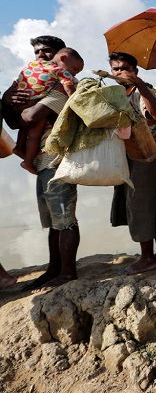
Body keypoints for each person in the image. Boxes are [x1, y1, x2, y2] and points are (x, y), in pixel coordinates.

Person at [1, 36, 80, 290]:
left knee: (65, 219)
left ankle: (67, 273)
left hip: (59, 159)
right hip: (43, 160)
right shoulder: (41, 83)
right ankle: (54, 269)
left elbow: (28, 116)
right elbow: (14, 122)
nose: (40, 56)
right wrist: (8, 98)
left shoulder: (62, 85)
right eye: (37, 51)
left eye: (47, 51)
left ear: (61, 56)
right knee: (53, 223)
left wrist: (20, 104)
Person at [108, 52, 156, 274]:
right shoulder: (117, 94)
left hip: (146, 154)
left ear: (135, 71)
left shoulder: (140, 92)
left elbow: (155, 115)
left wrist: (140, 85)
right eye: (115, 68)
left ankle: (147, 258)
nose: (120, 72)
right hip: (129, 155)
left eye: (125, 67)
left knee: (139, 204)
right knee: (149, 203)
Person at [13, 48, 84, 174]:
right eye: (75, 69)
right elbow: (69, 91)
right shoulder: (61, 71)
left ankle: (19, 147)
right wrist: (78, 105)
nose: (74, 74)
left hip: (21, 101)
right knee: (34, 134)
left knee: (25, 127)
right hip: (38, 103)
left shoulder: (33, 64)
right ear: (63, 58)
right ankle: (28, 161)